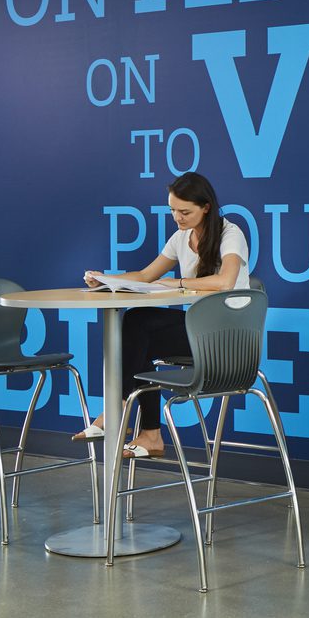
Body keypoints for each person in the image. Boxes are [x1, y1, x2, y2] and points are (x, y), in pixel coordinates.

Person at [77, 172, 251, 458]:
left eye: (185, 212)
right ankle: (150, 435)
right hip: (200, 330)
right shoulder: (181, 237)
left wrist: (178, 283)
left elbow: (225, 282)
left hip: (226, 337)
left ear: (206, 207)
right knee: (137, 326)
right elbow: (146, 275)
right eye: (172, 210)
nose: (177, 218)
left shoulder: (230, 233)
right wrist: (106, 279)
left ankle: (118, 411)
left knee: (138, 328)